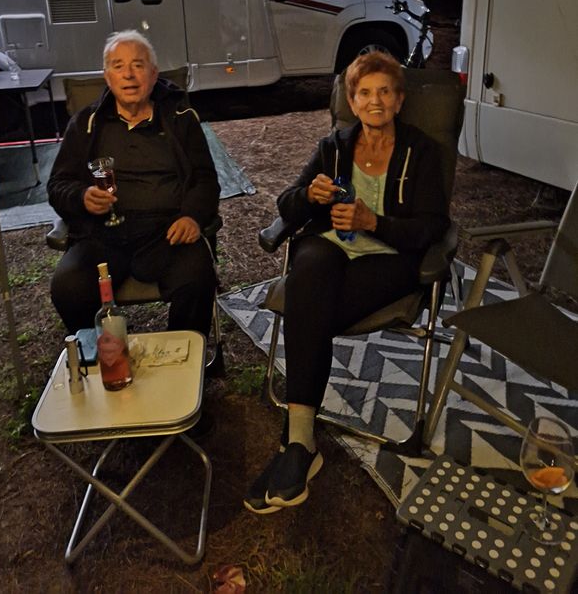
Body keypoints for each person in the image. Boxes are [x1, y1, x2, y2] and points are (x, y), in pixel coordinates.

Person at [244, 51, 449, 514]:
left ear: (398, 100)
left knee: (305, 309)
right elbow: (286, 205)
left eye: (384, 92)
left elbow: (432, 228)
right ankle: (301, 442)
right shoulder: (333, 147)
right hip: (332, 251)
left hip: (391, 259)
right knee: (311, 267)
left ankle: (296, 447)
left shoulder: (422, 152)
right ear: (351, 102)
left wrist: (373, 221)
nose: (374, 101)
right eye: (363, 93)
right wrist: (307, 196)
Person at [48, 30, 220, 339]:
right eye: (118, 65)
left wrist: (192, 216)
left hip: (166, 232)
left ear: (154, 75)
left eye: (138, 65)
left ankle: (181, 366)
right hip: (101, 235)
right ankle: (109, 351)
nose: (128, 74)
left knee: (197, 277)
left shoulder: (181, 119)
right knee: (68, 285)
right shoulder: (86, 124)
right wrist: (81, 197)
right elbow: (59, 184)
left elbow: (205, 178)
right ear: (107, 76)